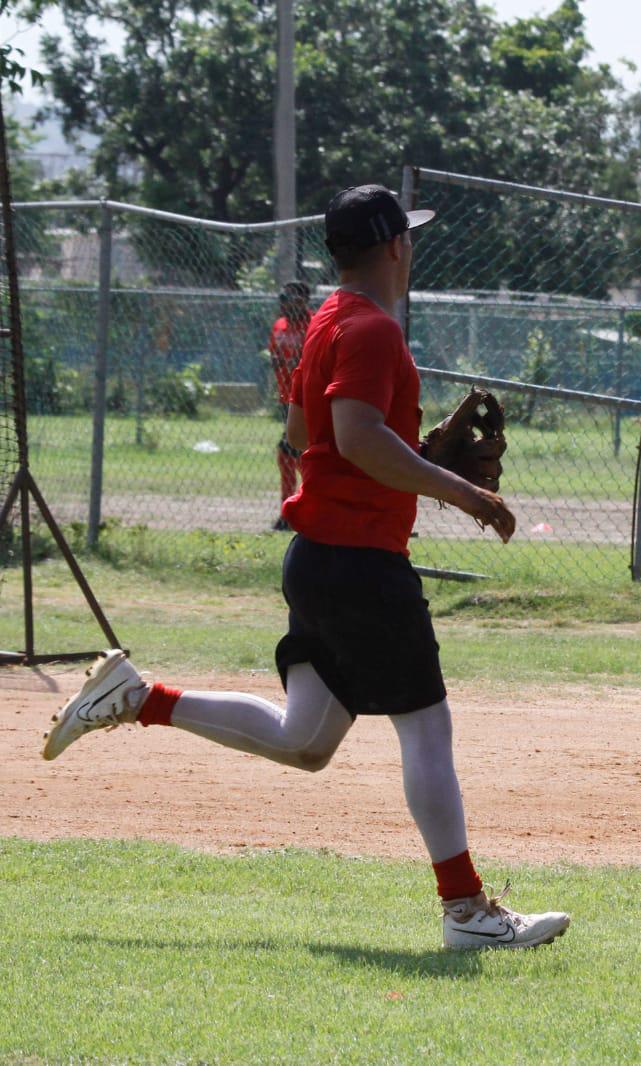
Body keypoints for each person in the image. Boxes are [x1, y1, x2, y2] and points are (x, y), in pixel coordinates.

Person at [42, 184, 571, 948]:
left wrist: (412, 459)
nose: (412, 248)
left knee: (306, 741)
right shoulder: (375, 330)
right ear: (395, 246)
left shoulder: (326, 319)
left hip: (321, 558)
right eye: (409, 237)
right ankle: (466, 912)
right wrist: (461, 491)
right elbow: (354, 438)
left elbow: (306, 434)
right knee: (426, 726)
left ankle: (139, 698)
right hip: (358, 564)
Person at [269, 280, 311, 531]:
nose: (285, 304)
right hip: (287, 399)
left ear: (303, 301)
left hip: (307, 399)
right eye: (283, 299)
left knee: (290, 452)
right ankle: (296, 506)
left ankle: (293, 509)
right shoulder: (279, 326)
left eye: (291, 299)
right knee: (292, 453)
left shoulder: (314, 324)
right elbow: (276, 354)